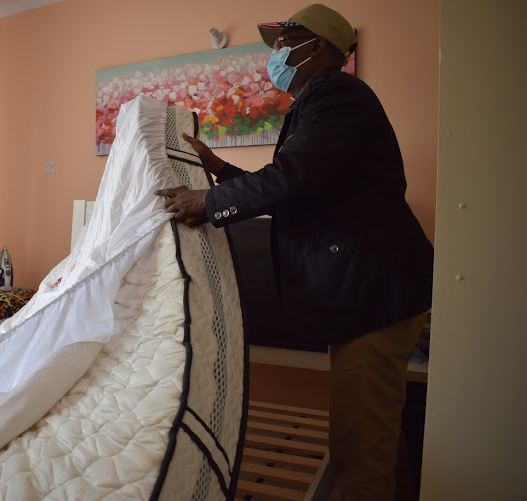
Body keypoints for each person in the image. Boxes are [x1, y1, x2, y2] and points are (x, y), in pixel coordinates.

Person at [154, 4, 433, 501]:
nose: (277, 56)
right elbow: (298, 193)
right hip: (370, 291)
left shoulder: (339, 95)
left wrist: (208, 201)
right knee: (376, 435)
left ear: (318, 46)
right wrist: (217, 167)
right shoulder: (321, 103)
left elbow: (292, 181)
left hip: (371, 295)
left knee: (358, 451)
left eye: (285, 44)